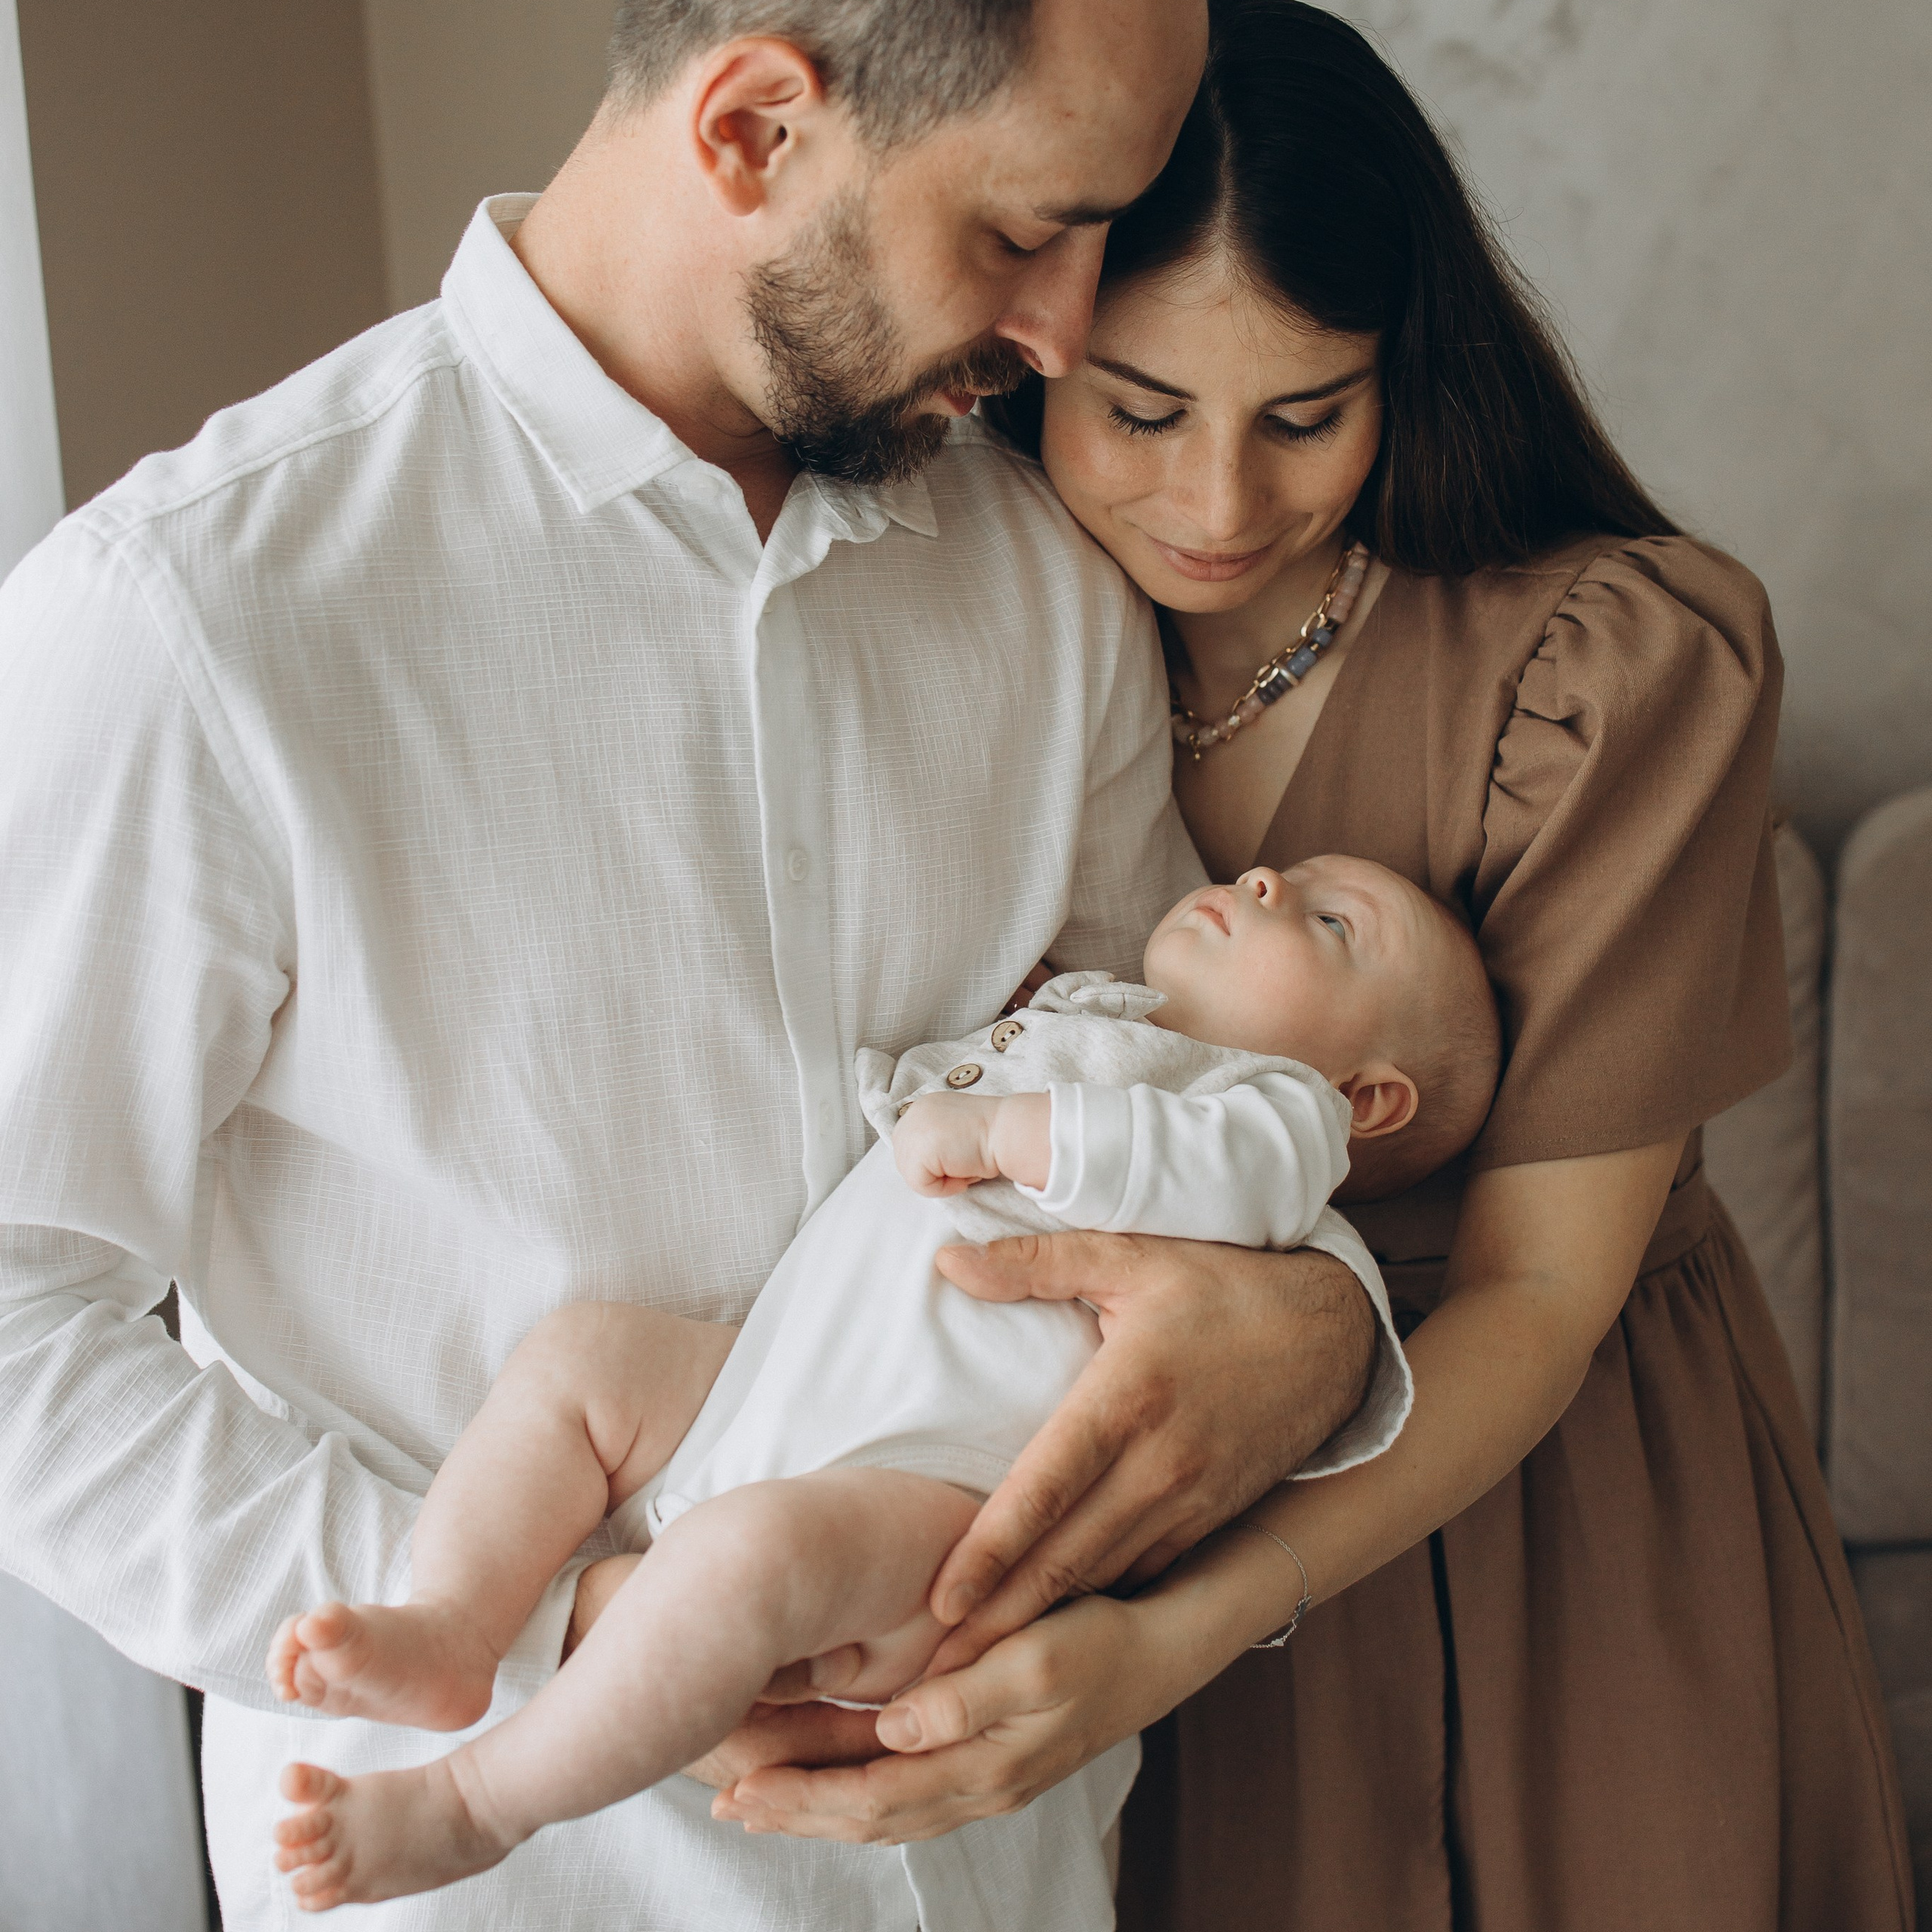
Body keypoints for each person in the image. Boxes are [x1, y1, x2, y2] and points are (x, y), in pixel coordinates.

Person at [0, 4, 1438, 1930]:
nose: (1069, 334)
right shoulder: (201, 615)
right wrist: (563, 1629)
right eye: (1021, 233)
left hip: (1004, 1859)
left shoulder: (1034, 579)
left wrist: (1319, 1331)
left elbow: (1176, 1073)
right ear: (756, 127)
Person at [722, 2, 1916, 1923]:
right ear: (1030, 355)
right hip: (1123, 1484)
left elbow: (1537, 1293)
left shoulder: (1614, 671)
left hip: (1548, 1498)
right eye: (1138, 410)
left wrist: (1176, 1634)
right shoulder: (957, 625)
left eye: (1303, 416)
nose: (1215, 504)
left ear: (1400, 371)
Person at [264, 854, 1499, 1910]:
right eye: (1278, 876)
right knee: (581, 1358)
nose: (1271, 879)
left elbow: (1241, 1177)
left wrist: (1014, 1134)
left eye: (1333, 925)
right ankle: (458, 1623)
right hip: (766, 1386)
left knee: (743, 1562)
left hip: (927, 1512)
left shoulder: (1275, 1117)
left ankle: (481, 1799)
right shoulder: (1100, 1015)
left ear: (1364, 1098)